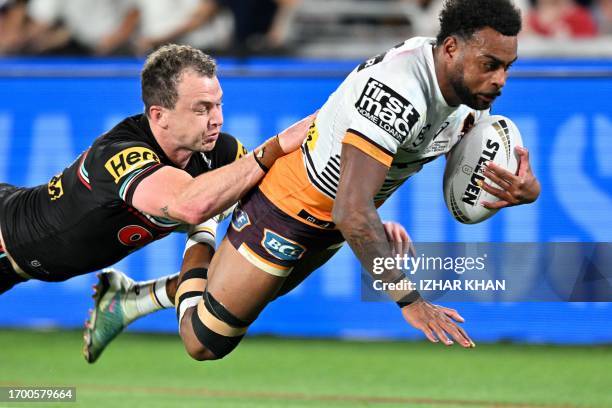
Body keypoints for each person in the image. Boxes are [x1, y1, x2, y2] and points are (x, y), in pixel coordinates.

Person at [170, 0, 541, 361]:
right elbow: (351, 210)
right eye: (490, 65)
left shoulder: (469, 94)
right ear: (450, 48)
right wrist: (408, 299)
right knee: (204, 342)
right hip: (288, 204)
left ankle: (159, 290)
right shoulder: (398, 92)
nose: (500, 80)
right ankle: (203, 226)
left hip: (333, 219)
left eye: (508, 68)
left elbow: (455, 154)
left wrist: (526, 190)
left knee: (258, 297)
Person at [0, 44, 310, 360]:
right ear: (159, 115)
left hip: (17, 266)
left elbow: (269, 213)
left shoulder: (222, 155)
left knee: (246, 275)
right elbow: (191, 205)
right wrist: (273, 148)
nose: (217, 119)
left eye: (218, 105)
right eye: (202, 109)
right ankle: (138, 299)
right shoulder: (121, 153)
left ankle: (138, 298)